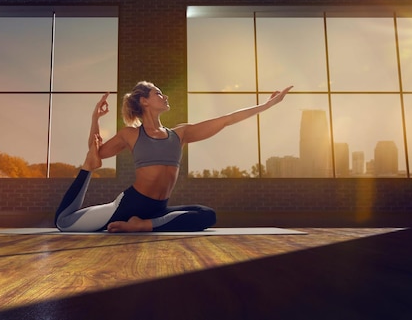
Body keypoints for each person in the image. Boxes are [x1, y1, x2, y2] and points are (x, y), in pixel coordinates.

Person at [54, 81, 293, 233]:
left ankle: (143, 226)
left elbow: (228, 119)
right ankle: (139, 223)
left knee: (207, 215)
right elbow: (95, 153)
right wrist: (95, 119)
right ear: (144, 101)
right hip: (128, 206)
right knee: (64, 223)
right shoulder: (130, 134)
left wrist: (267, 105)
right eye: (158, 93)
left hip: (158, 209)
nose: (164, 96)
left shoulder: (180, 133)